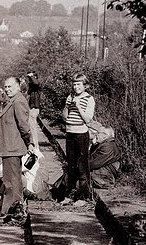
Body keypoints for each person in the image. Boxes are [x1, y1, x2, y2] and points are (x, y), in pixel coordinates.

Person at [0, 77, 34, 215]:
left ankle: (10, 211)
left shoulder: (18, 102)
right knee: (13, 179)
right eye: (5, 87)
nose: (7, 89)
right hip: (9, 146)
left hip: (13, 146)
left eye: (10, 87)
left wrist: (29, 142)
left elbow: (24, 125)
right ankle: (16, 208)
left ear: (18, 86)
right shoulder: (13, 101)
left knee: (11, 181)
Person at [61, 73, 95, 201]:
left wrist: (79, 106)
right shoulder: (70, 97)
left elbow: (88, 119)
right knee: (71, 165)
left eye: (78, 84)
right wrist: (67, 107)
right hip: (70, 133)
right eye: (74, 84)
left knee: (82, 165)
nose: (76, 87)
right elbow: (64, 118)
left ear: (85, 86)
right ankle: (69, 195)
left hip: (81, 134)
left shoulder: (89, 99)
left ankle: (83, 196)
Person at [26, 71, 40, 149]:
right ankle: (35, 145)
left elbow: (36, 82)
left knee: (33, 129)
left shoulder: (36, 86)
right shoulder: (32, 88)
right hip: (31, 108)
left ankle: (36, 147)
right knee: (31, 128)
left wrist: (31, 76)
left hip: (34, 108)